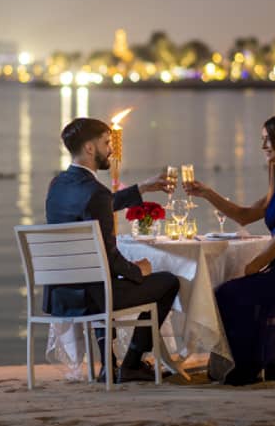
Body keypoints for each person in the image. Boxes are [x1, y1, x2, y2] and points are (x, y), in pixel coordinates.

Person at [185, 114, 275, 385]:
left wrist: (255, 266)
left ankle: (249, 367)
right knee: (236, 293)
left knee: (229, 294)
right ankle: (273, 362)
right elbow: (243, 215)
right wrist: (207, 193)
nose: (263, 146)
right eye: (262, 140)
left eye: (268, 140)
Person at [45, 117, 180, 383]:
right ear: (90, 148)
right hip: (93, 297)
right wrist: (138, 271)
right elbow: (108, 256)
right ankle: (130, 363)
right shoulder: (95, 192)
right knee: (168, 282)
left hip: (61, 295)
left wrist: (140, 188)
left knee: (104, 278)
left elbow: (97, 205)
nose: (112, 150)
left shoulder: (57, 185)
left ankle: (110, 364)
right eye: (107, 143)